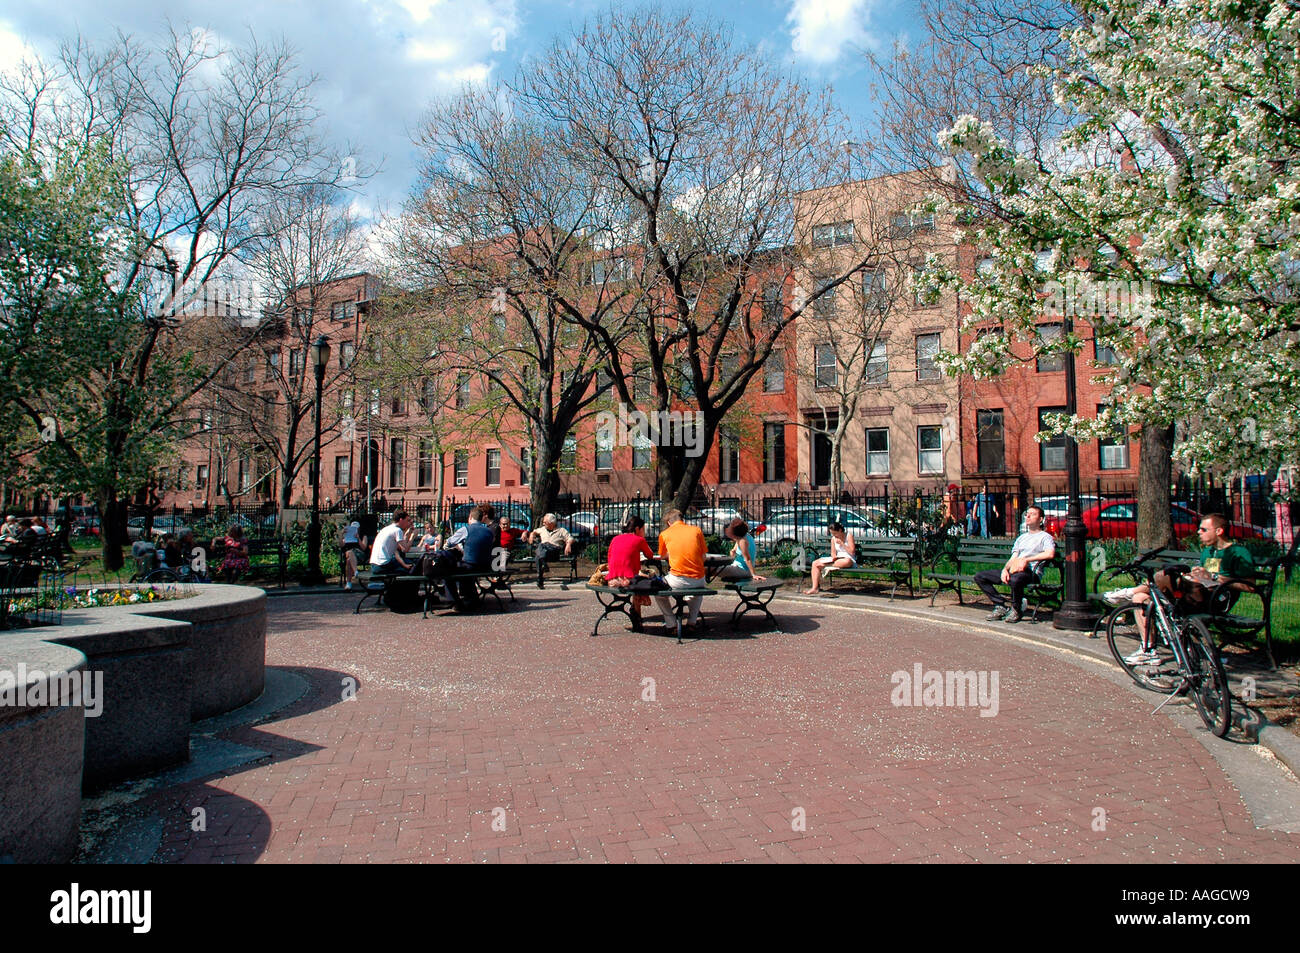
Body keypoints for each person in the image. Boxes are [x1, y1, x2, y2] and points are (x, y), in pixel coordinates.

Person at [1106, 513, 1254, 663]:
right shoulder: (1208, 551)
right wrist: (1195, 575)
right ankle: (1148, 650)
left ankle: (1126, 593)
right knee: (1140, 599)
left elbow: (1250, 586)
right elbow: (1205, 577)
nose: (1198, 532)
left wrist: (1214, 577)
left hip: (1215, 601)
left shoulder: (1238, 552)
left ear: (1219, 531)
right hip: (1193, 595)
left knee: (1162, 577)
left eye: (1203, 529)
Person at [973, 505, 1054, 623]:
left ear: (1041, 519)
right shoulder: (1022, 538)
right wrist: (1005, 570)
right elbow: (1013, 557)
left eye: (1033, 514)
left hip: (1031, 573)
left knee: (1015, 580)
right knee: (980, 577)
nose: (1028, 516)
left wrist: (1027, 559)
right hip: (1015, 569)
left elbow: (1050, 554)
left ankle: (1016, 609)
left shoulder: (1045, 537)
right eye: (1027, 514)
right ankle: (1000, 605)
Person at [654, 509, 708, 630]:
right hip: (699, 578)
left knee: (658, 591)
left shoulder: (665, 534)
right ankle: (692, 622)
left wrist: (672, 554)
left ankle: (671, 623)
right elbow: (703, 557)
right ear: (682, 519)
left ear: (669, 522)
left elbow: (662, 556)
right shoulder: (696, 531)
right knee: (696, 592)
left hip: (677, 579)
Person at [605, 515, 656, 630]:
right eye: (643, 529)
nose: (644, 532)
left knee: (636, 579)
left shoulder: (615, 538)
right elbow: (650, 555)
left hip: (613, 578)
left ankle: (636, 612)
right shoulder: (639, 540)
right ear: (637, 529)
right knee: (641, 580)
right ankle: (637, 614)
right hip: (628, 579)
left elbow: (610, 557)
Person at [805, 521, 856, 595]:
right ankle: (814, 588)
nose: (834, 535)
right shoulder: (833, 539)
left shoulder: (848, 535)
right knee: (815, 563)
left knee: (846, 561)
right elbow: (833, 552)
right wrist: (834, 557)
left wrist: (842, 543)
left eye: (835, 533)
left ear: (840, 530)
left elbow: (852, 552)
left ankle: (826, 565)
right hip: (837, 560)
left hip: (848, 558)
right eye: (832, 534)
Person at [530, 513, 574, 589]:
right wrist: (531, 535)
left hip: (554, 552)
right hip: (544, 553)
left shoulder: (561, 530)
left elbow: (570, 538)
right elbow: (534, 531)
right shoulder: (542, 529)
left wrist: (568, 544)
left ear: (551, 523)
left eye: (545, 522)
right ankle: (541, 575)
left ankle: (541, 575)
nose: (543, 523)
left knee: (541, 547)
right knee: (539, 553)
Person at [717, 517, 765, 583]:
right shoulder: (743, 537)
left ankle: (699, 586)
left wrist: (753, 574)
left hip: (742, 570)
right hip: (738, 567)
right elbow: (733, 550)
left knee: (710, 569)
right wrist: (733, 552)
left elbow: (747, 559)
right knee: (712, 569)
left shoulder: (742, 541)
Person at [369, 510, 415, 576]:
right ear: (401, 520)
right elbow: (405, 549)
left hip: (374, 565)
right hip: (383, 565)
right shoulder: (397, 530)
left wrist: (408, 533)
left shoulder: (386, 529)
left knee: (406, 563)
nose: (408, 523)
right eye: (407, 520)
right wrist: (412, 536)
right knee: (412, 567)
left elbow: (397, 550)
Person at [339, 521, 368, 590]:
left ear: (358, 529)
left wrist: (358, 538)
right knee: (349, 554)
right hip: (349, 554)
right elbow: (341, 545)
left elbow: (363, 547)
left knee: (349, 557)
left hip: (359, 554)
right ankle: (356, 572)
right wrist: (341, 534)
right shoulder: (347, 536)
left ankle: (349, 583)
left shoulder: (363, 536)